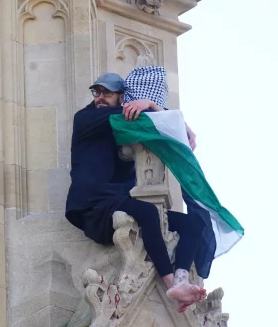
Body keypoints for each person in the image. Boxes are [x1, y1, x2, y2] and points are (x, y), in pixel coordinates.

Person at [65, 72, 215, 313]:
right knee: (147, 212)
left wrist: (167, 117)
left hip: (117, 201)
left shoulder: (121, 123)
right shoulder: (86, 118)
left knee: (193, 224)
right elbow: (147, 119)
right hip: (92, 207)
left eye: (108, 93)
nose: (100, 97)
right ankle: (169, 284)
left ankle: (180, 279)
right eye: (97, 92)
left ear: (121, 96)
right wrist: (152, 105)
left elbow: (151, 123)